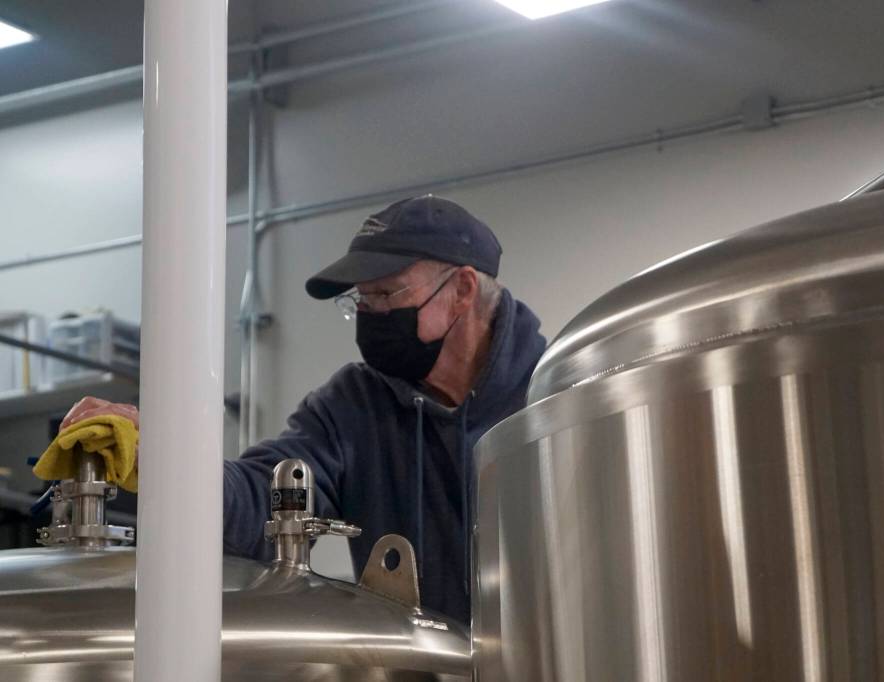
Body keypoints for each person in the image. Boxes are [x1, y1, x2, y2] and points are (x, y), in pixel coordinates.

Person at [62, 195, 547, 625]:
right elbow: (263, 497)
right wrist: (169, 461)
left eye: (385, 295)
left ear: (462, 290)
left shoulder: (553, 393)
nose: (369, 315)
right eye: (360, 299)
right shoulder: (353, 407)